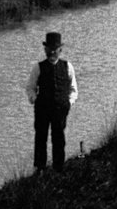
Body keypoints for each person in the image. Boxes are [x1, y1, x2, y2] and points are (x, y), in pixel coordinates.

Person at [25, 29, 79, 172]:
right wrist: (34, 99)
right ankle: (40, 168)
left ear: (60, 49)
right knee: (41, 137)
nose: (52, 52)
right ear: (45, 49)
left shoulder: (68, 66)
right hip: (42, 108)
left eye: (55, 49)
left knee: (59, 138)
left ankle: (58, 167)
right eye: (49, 49)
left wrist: (69, 102)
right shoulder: (38, 67)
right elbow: (30, 88)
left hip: (61, 108)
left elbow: (74, 89)